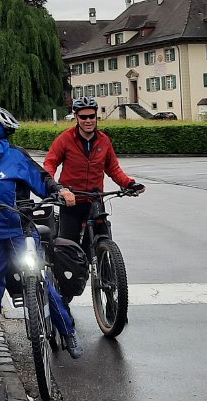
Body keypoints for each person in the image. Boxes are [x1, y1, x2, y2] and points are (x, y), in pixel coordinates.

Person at [0, 106, 83, 369]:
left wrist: (60, 191)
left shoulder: (17, 157)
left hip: (19, 231)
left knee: (41, 281)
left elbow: (43, 180)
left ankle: (68, 332)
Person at [43, 97, 145, 302]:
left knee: (104, 241)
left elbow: (113, 168)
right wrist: (56, 188)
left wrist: (129, 184)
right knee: (67, 250)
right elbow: (50, 164)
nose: (88, 120)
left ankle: (111, 296)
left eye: (92, 116)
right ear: (77, 118)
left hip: (95, 200)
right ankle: (64, 298)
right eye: (84, 117)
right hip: (71, 201)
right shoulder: (65, 139)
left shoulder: (104, 141)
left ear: (96, 117)